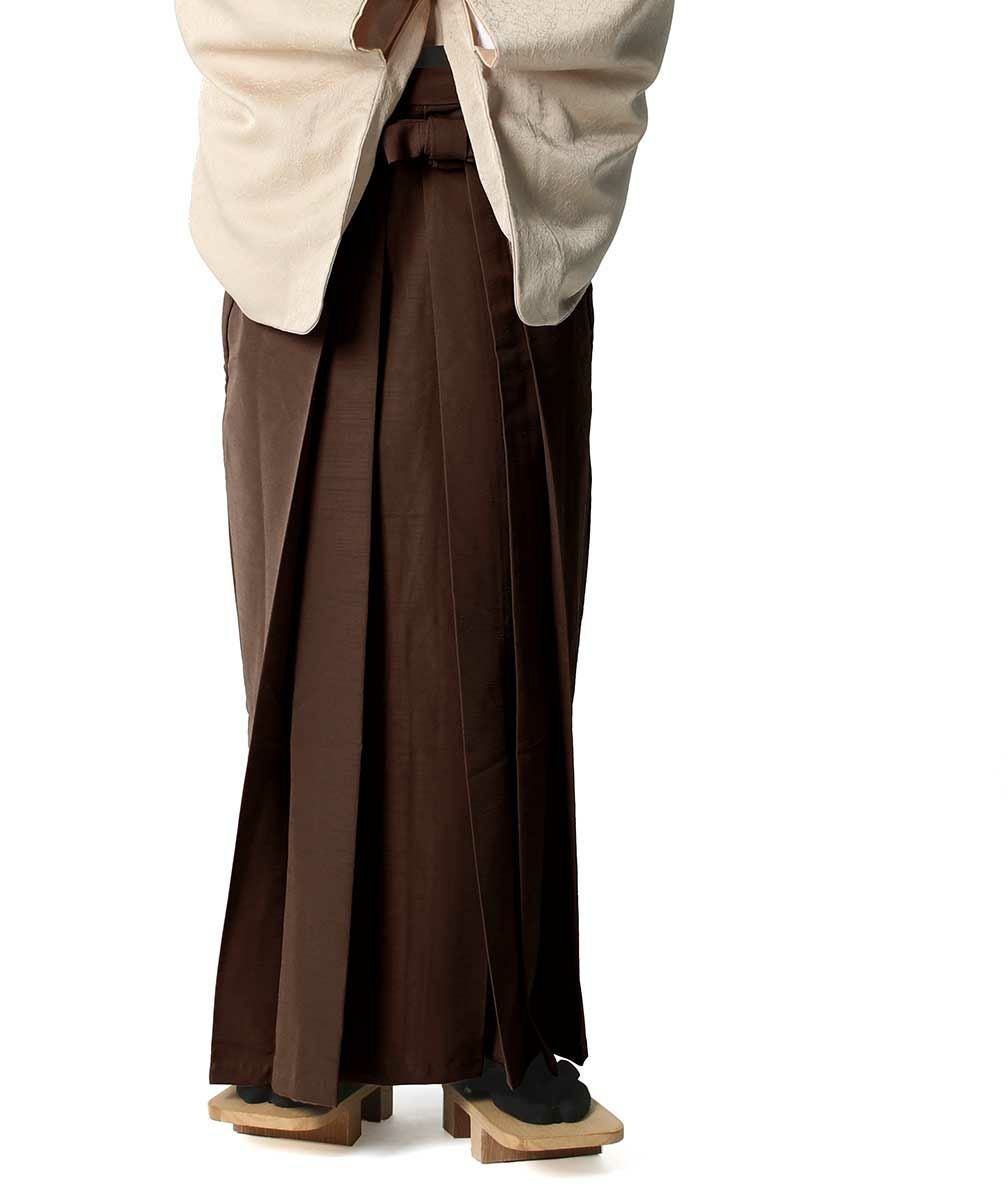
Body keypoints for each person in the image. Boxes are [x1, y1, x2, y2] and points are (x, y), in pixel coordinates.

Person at [175, 0, 675, 1128]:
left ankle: (504, 1039)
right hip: (307, 200)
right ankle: (309, 1036)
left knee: (497, 629)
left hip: (496, 201)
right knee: (304, 628)